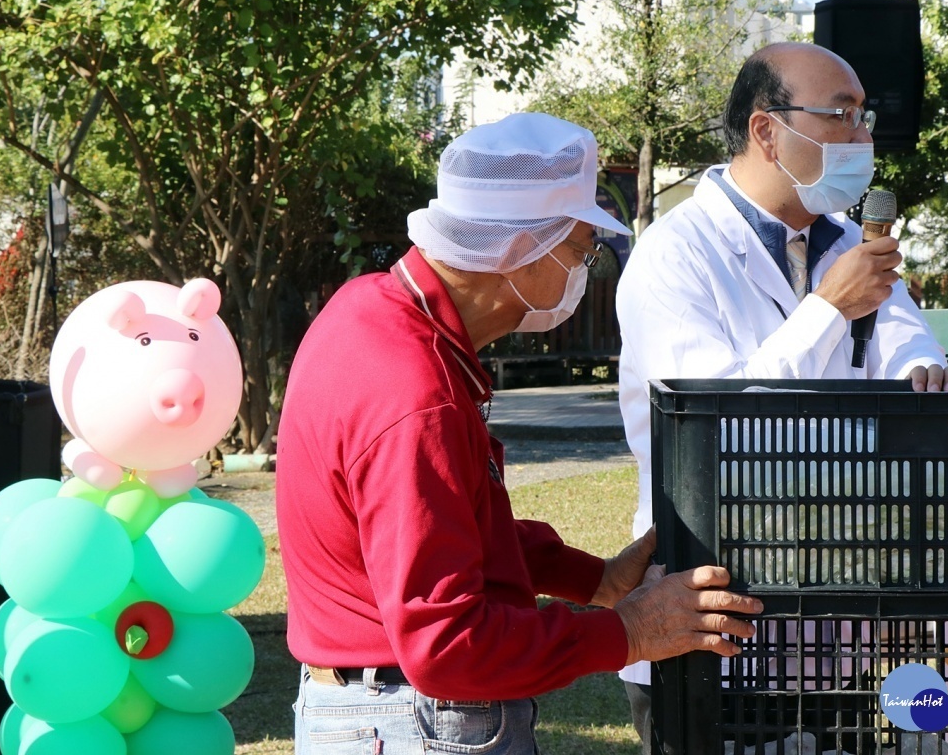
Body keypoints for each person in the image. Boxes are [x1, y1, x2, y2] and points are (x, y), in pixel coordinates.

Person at [276, 112, 763, 754]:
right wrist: (627, 633)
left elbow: (454, 525)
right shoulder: (415, 391)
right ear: (516, 252)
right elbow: (446, 646)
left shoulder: (372, 308)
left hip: (374, 708)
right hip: (415, 721)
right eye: (580, 249)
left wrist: (599, 578)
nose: (586, 268)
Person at [614, 42, 948, 750]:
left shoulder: (850, 245)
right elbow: (712, 426)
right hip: (711, 612)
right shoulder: (677, 251)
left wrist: (925, 376)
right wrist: (828, 310)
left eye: (865, 117)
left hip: (836, 612)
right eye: (841, 115)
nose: (863, 138)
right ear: (766, 130)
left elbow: (907, 347)